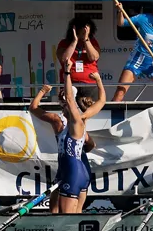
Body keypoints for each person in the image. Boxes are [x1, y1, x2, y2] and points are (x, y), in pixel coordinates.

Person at [30, 70, 106, 213]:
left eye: (65, 104)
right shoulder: (83, 119)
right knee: (72, 217)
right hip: (79, 171)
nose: (64, 106)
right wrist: (98, 80)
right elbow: (101, 101)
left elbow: (68, 99)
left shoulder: (64, 120)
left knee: (66, 220)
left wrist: (66, 73)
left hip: (72, 171)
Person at [57, 17, 101, 85]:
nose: (84, 33)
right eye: (81, 31)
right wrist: (74, 41)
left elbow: (93, 58)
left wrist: (86, 39)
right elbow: (64, 59)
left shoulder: (92, 42)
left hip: (90, 82)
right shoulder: (64, 43)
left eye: (86, 31)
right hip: (69, 83)